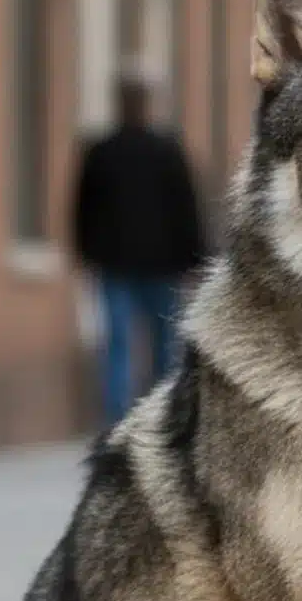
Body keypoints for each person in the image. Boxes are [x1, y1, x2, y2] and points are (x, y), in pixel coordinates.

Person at [71, 77, 207, 425]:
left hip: (117, 264)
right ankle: (160, 419)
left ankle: (118, 422)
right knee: (160, 345)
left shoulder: (102, 151)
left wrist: (85, 254)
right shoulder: (167, 152)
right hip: (159, 265)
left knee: (119, 345)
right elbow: (186, 209)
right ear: (148, 107)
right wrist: (194, 260)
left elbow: (82, 209)